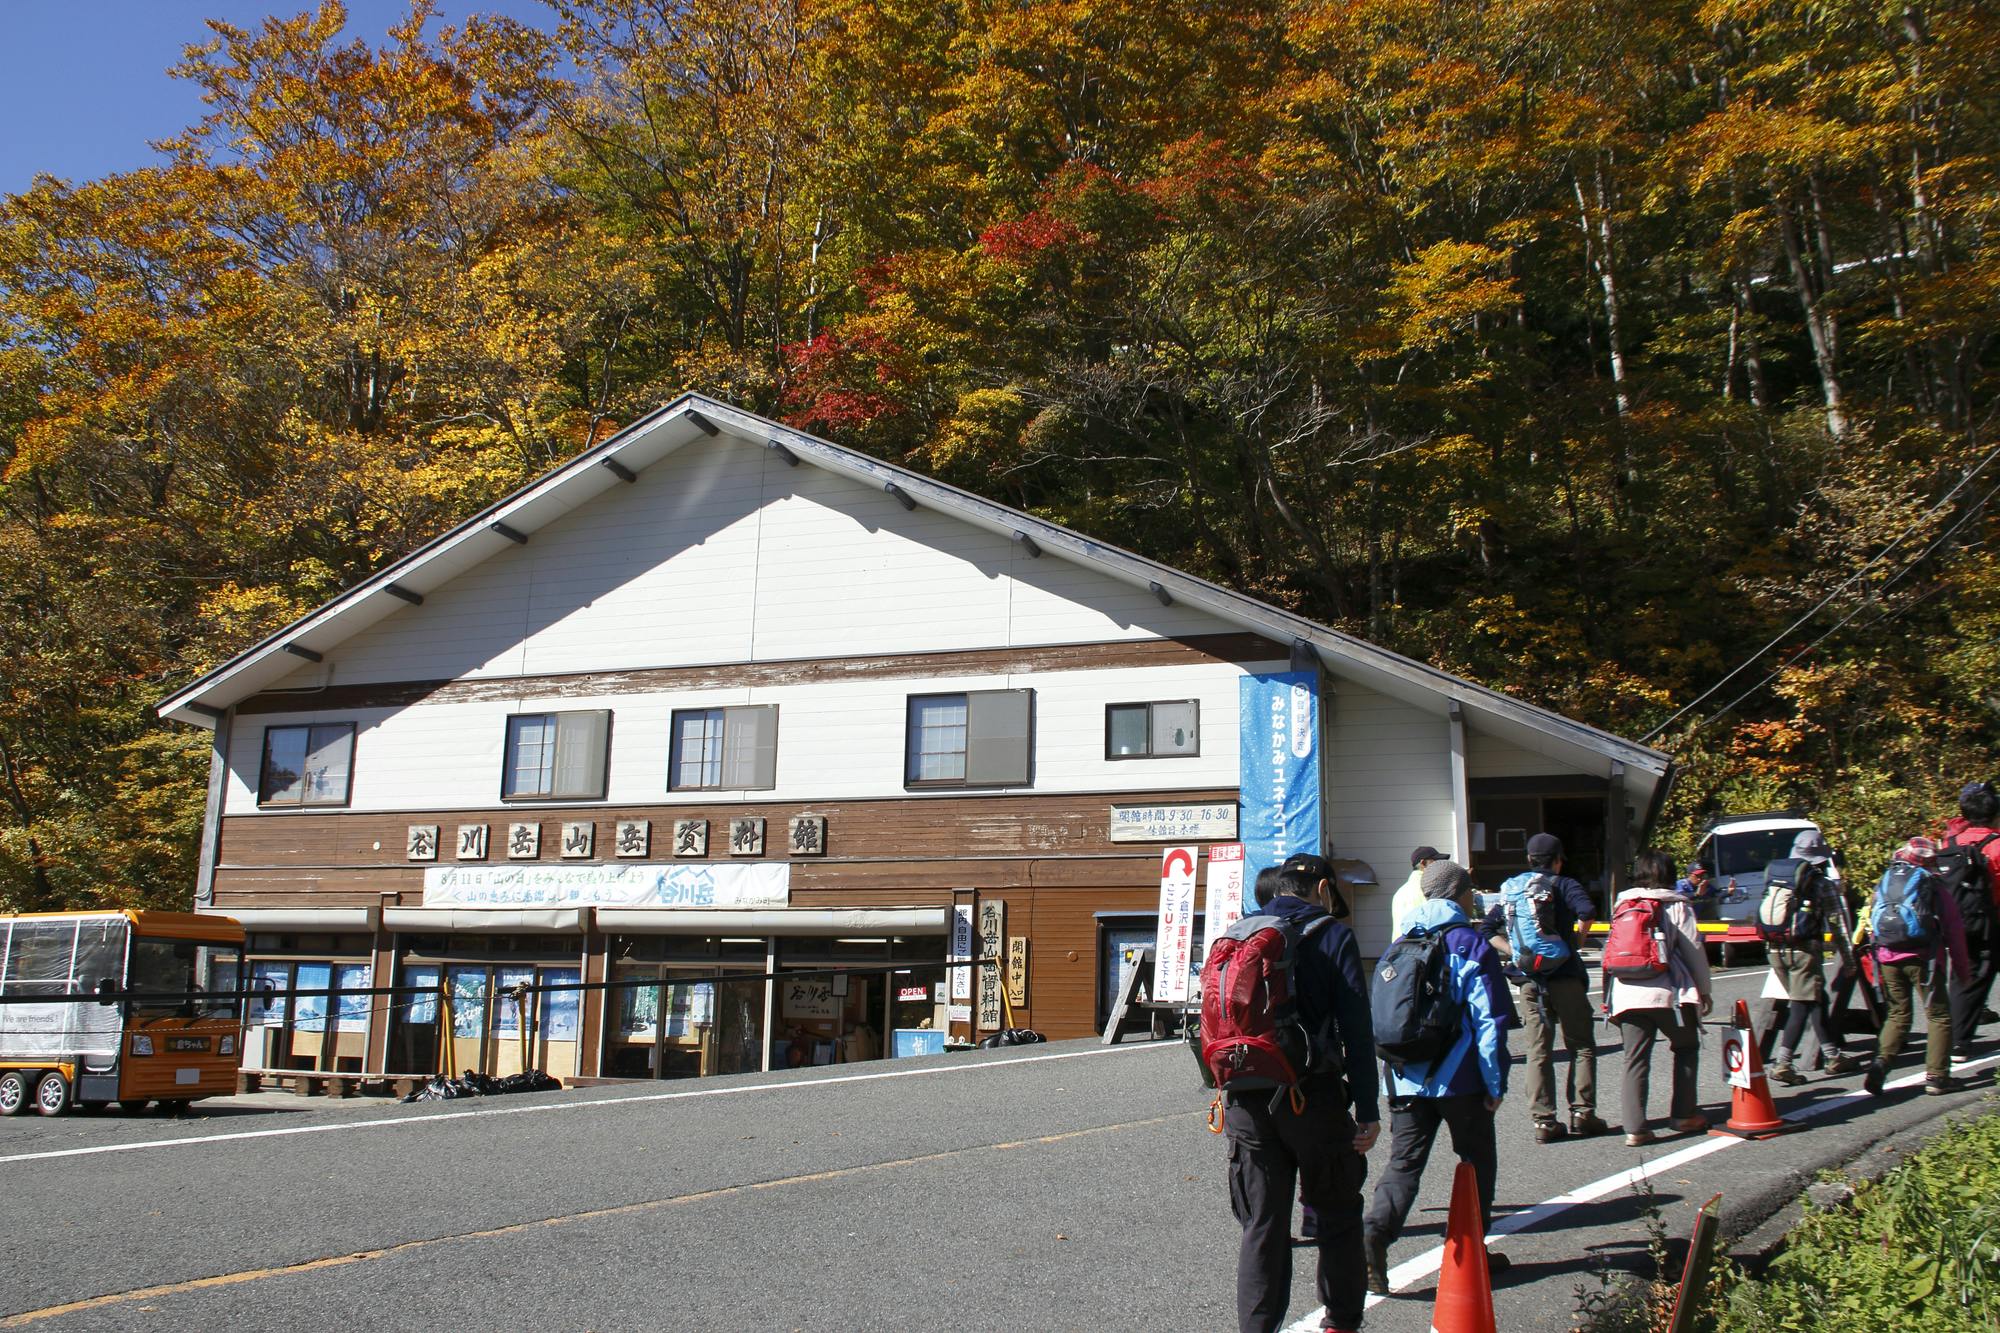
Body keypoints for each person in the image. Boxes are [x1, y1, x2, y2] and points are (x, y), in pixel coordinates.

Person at [1221, 855, 1381, 1333]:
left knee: (1262, 1225)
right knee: (1337, 1214)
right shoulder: (1332, 935)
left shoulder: (1240, 933)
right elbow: (1356, 1027)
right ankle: (1340, 1322)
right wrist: (1368, 1109)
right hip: (1313, 1096)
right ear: (1324, 889)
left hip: (1246, 1096)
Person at [1362, 860, 1517, 1295]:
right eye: (1470, 891)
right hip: (1460, 1078)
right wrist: (1495, 1082)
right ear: (1460, 894)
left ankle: (1374, 1235)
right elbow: (1489, 1021)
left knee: (1403, 1164)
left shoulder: (1400, 943)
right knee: (1476, 1161)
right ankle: (1470, 1250)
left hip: (1404, 1078)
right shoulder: (1470, 943)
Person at [1493, 832, 1607, 1142]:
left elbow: (1489, 929)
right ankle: (1582, 1114)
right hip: (1566, 976)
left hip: (1529, 980)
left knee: (1538, 1050)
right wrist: (1577, 940)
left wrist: (1515, 953)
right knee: (1581, 1045)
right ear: (1557, 861)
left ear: (1529, 859)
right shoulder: (1565, 884)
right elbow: (1587, 912)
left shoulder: (1514, 889)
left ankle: (1543, 1122)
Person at [1606, 850, 1713, 1145]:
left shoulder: (1622, 904)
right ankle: (1683, 1115)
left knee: (1635, 1058)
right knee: (1687, 1047)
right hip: (1669, 993)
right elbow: (1693, 951)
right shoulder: (1677, 905)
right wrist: (1704, 991)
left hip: (1626, 991)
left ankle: (1635, 1129)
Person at [1863, 836, 1974, 1096]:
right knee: (1938, 1015)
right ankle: (1937, 1077)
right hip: (1924, 958)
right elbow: (1954, 929)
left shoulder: (1887, 879)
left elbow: (1871, 919)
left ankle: (1880, 1064)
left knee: (1898, 1014)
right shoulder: (1932, 883)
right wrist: (1962, 969)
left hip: (1888, 955)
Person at [1765, 830, 1864, 1084]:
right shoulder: (1821, 883)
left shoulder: (1776, 877)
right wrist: (1849, 960)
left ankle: (1833, 1056)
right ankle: (1783, 1063)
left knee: (1815, 999)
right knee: (1801, 1003)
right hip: (1803, 951)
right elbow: (1839, 924)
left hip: (1774, 949)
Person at [1941, 780, 2000, 1058]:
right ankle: (1959, 1041)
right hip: (1991, 921)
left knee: (1963, 977)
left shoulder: (1950, 842)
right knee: (1979, 975)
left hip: (1956, 920)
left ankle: (1956, 1041)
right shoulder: (1996, 845)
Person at [1389, 845, 1447, 940]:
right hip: (1421, 947)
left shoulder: (1401, 891)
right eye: (1435, 861)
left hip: (1401, 947)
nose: (1440, 865)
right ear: (1423, 863)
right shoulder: (1428, 888)